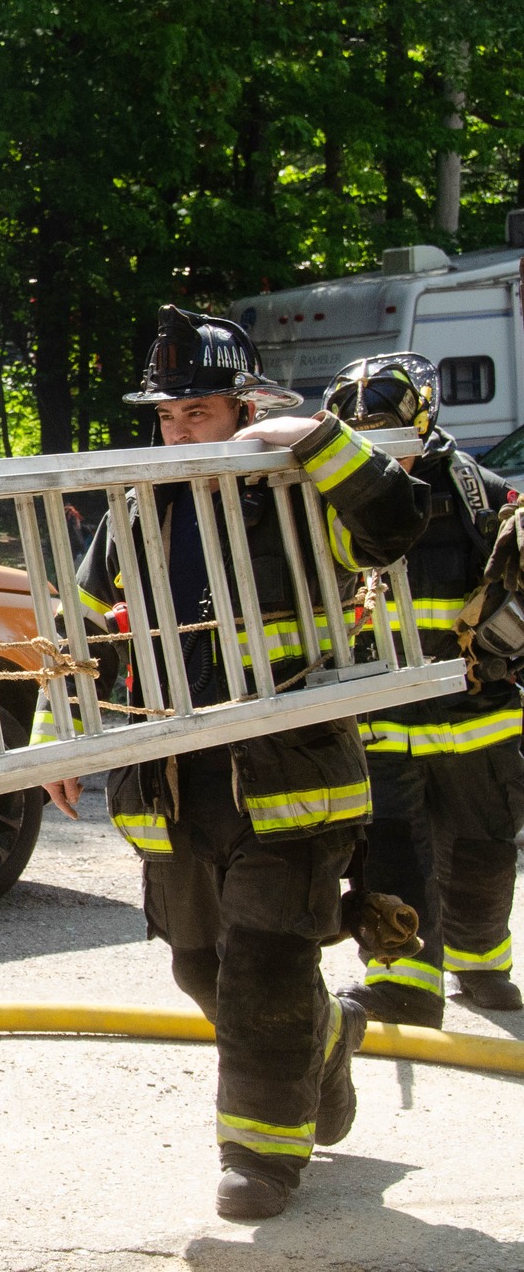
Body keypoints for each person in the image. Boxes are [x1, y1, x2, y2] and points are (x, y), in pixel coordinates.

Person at [35, 306, 427, 1221]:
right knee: (199, 970)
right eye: (168, 417)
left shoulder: (298, 494)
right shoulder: (138, 507)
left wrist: (317, 439)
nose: (180, 432)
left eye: (199, 413)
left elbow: (398, 521)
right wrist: (58, 730)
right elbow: (80, 628)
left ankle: (261, 1158)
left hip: (289, 777)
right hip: (174, 784)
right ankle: (329, 1040)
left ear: (246, 410)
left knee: (265, 971)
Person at [324, 354, 523, 1024]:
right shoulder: (328, 502)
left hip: (478, 718)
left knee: (483, 853)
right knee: (389, 856)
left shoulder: (479, 496)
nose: (378, 452)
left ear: (423, 424)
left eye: (388, 433)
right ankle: (403, 982)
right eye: (360, 438)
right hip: (381, 724)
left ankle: (482, 963)